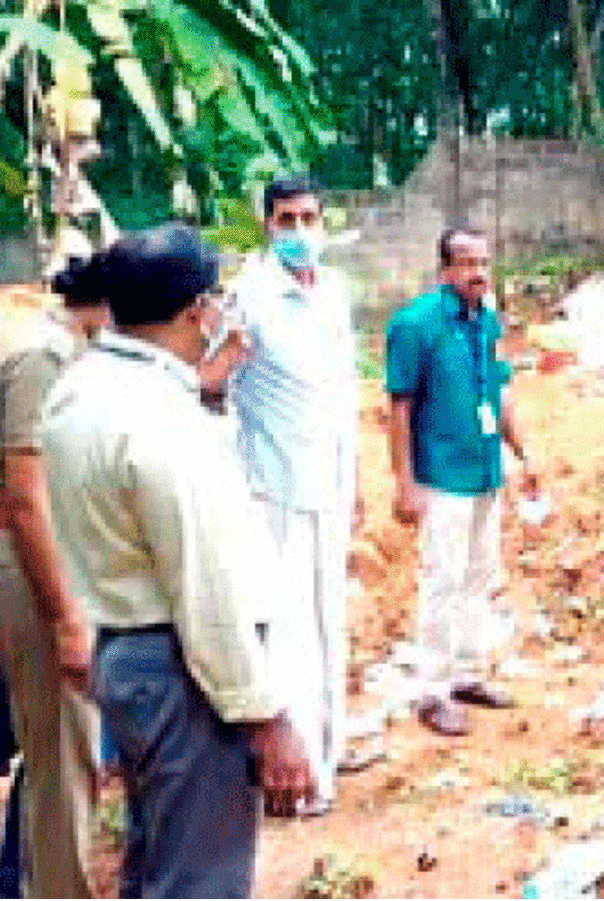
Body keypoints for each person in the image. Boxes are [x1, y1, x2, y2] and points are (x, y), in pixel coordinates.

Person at [41, 224, 313, 898]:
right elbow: (206, 589)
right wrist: (267, 718)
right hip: (184, 673)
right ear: (197, 311)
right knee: (200, 880)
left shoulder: (82, 391)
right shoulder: (161, 418)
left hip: (125, 655)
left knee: (154, 863)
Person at [199, 174, 365, 812]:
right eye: (286, 221)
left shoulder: (334, 293)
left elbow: (343, 392)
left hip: (329, 479)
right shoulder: (250, 297)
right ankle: (293, 781)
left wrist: (357, 481)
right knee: (286, 630)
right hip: (272, 488)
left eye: (308, 219)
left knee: (330, 623)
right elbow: (208, 381)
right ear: (267, 225)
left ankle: (329, 747)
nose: (299, 232)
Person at [385, 227, 539, 737]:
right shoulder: (416, 326)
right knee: (442, 581)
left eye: (484, 264)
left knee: (479, 575)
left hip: (484, 472)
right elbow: (399, 409)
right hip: (442, 476)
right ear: (445, 270)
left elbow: (502, 393)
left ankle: (468, 672)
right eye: (467, 264)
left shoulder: (487, 322)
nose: (478, 274)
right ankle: (431, 691)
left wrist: (524, 453)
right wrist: (404, 483)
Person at [0, 254, 110, 898]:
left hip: (36, 562)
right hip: (33, 571)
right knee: (64, 760)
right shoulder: (45, 357)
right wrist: (67, 619)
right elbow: (26, 499)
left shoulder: (49, 345)